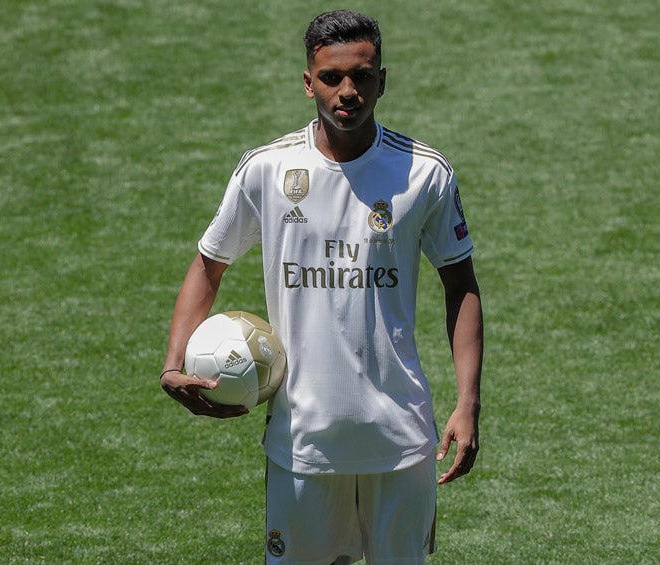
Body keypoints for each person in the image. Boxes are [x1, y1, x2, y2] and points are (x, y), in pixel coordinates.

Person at [160, 10, 483, 564]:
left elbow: (461, 284)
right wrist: (172, 363)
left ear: (383, 79)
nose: (348, 91)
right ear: (308, 81)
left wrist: (468, 402)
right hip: (302, 442)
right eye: (332, 77)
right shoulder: (267, 168)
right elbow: (209, 264)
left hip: (401, 441)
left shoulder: (425, 173)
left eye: (362, 75)